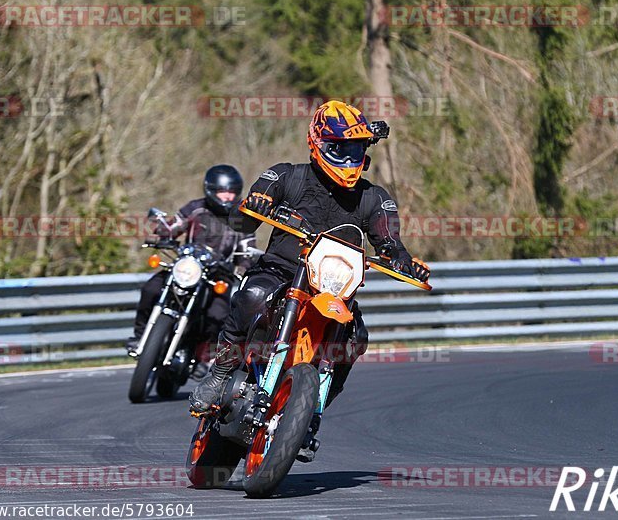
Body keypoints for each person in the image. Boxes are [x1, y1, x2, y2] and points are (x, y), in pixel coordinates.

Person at [189, 101, 430, 457]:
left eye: (356, 150)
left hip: (334, 290)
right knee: (254, 294)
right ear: (317, 143)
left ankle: (307, 415)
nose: (349, 160)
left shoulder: (374, 198)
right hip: (281, 272)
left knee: (356, 338)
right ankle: (221, 372)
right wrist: (256, 202)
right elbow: (244, 223)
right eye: (340, 149)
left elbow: (390, 243)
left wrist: (405, 261)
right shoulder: (287, 176)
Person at [127, 164, 256, 356]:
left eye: (232, 192)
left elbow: (248, 248)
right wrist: (163, 231)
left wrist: (245, 264)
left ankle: (204, 357)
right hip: (189, 267)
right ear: (211, 190)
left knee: (218, 314)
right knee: (150, 289)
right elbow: (175, 225)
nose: (228, 196)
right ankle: (139, 336)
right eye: (222, 191)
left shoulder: (241, 217)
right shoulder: (196, 208)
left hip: (219, 275)